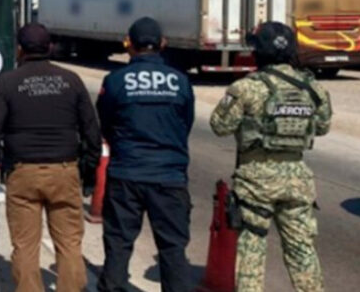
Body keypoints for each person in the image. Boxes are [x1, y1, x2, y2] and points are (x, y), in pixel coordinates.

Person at [0, 23, 102, 292]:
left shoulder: (7, 83)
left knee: (25, 246)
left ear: (19, 50)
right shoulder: (71, 80)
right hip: (64, 171)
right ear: (50, 48)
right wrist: (88, 171)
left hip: (23, 173)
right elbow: (92, 131)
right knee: (69, 244)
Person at [210, 22, 331, 292]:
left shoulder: (246, 88)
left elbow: (220, 126)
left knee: (252, 252)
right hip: (297, 181)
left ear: (258, 52)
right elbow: (323, 126)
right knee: (302, 251)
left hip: (256, 182)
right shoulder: (312, 88)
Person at [96, 17, 195, 292]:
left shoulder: (115, 81)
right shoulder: (180, 81)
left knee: (118, 244)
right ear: (163, 43)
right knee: (173, 248)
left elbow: (105, 124)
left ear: (129, 44)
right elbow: (185, 124)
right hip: (169, 176)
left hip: (126, 173)